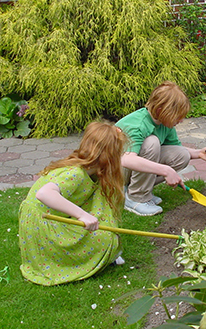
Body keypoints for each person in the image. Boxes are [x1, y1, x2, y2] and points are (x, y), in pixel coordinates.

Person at [18, 121, 128, 286]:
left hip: (50, 217)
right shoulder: (75, 173)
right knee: (105, 239)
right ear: (108, 154)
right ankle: (78, 258)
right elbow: (44, 193)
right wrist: (82, 215)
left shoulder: (87, 167)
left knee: (101, 202)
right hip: (43, 223)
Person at [117, 81, 206, 216]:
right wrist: (166, 170)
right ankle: (135, 198)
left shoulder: (165, 123)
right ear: (160, 110)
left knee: (182, 155)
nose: (181, 120)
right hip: (114, 172)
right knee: (152, 143)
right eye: (178, 116)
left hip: (127, 171)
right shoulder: (138, 125)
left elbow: (175, 149)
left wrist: (199, 153)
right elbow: (126, 160)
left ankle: (141, 191)